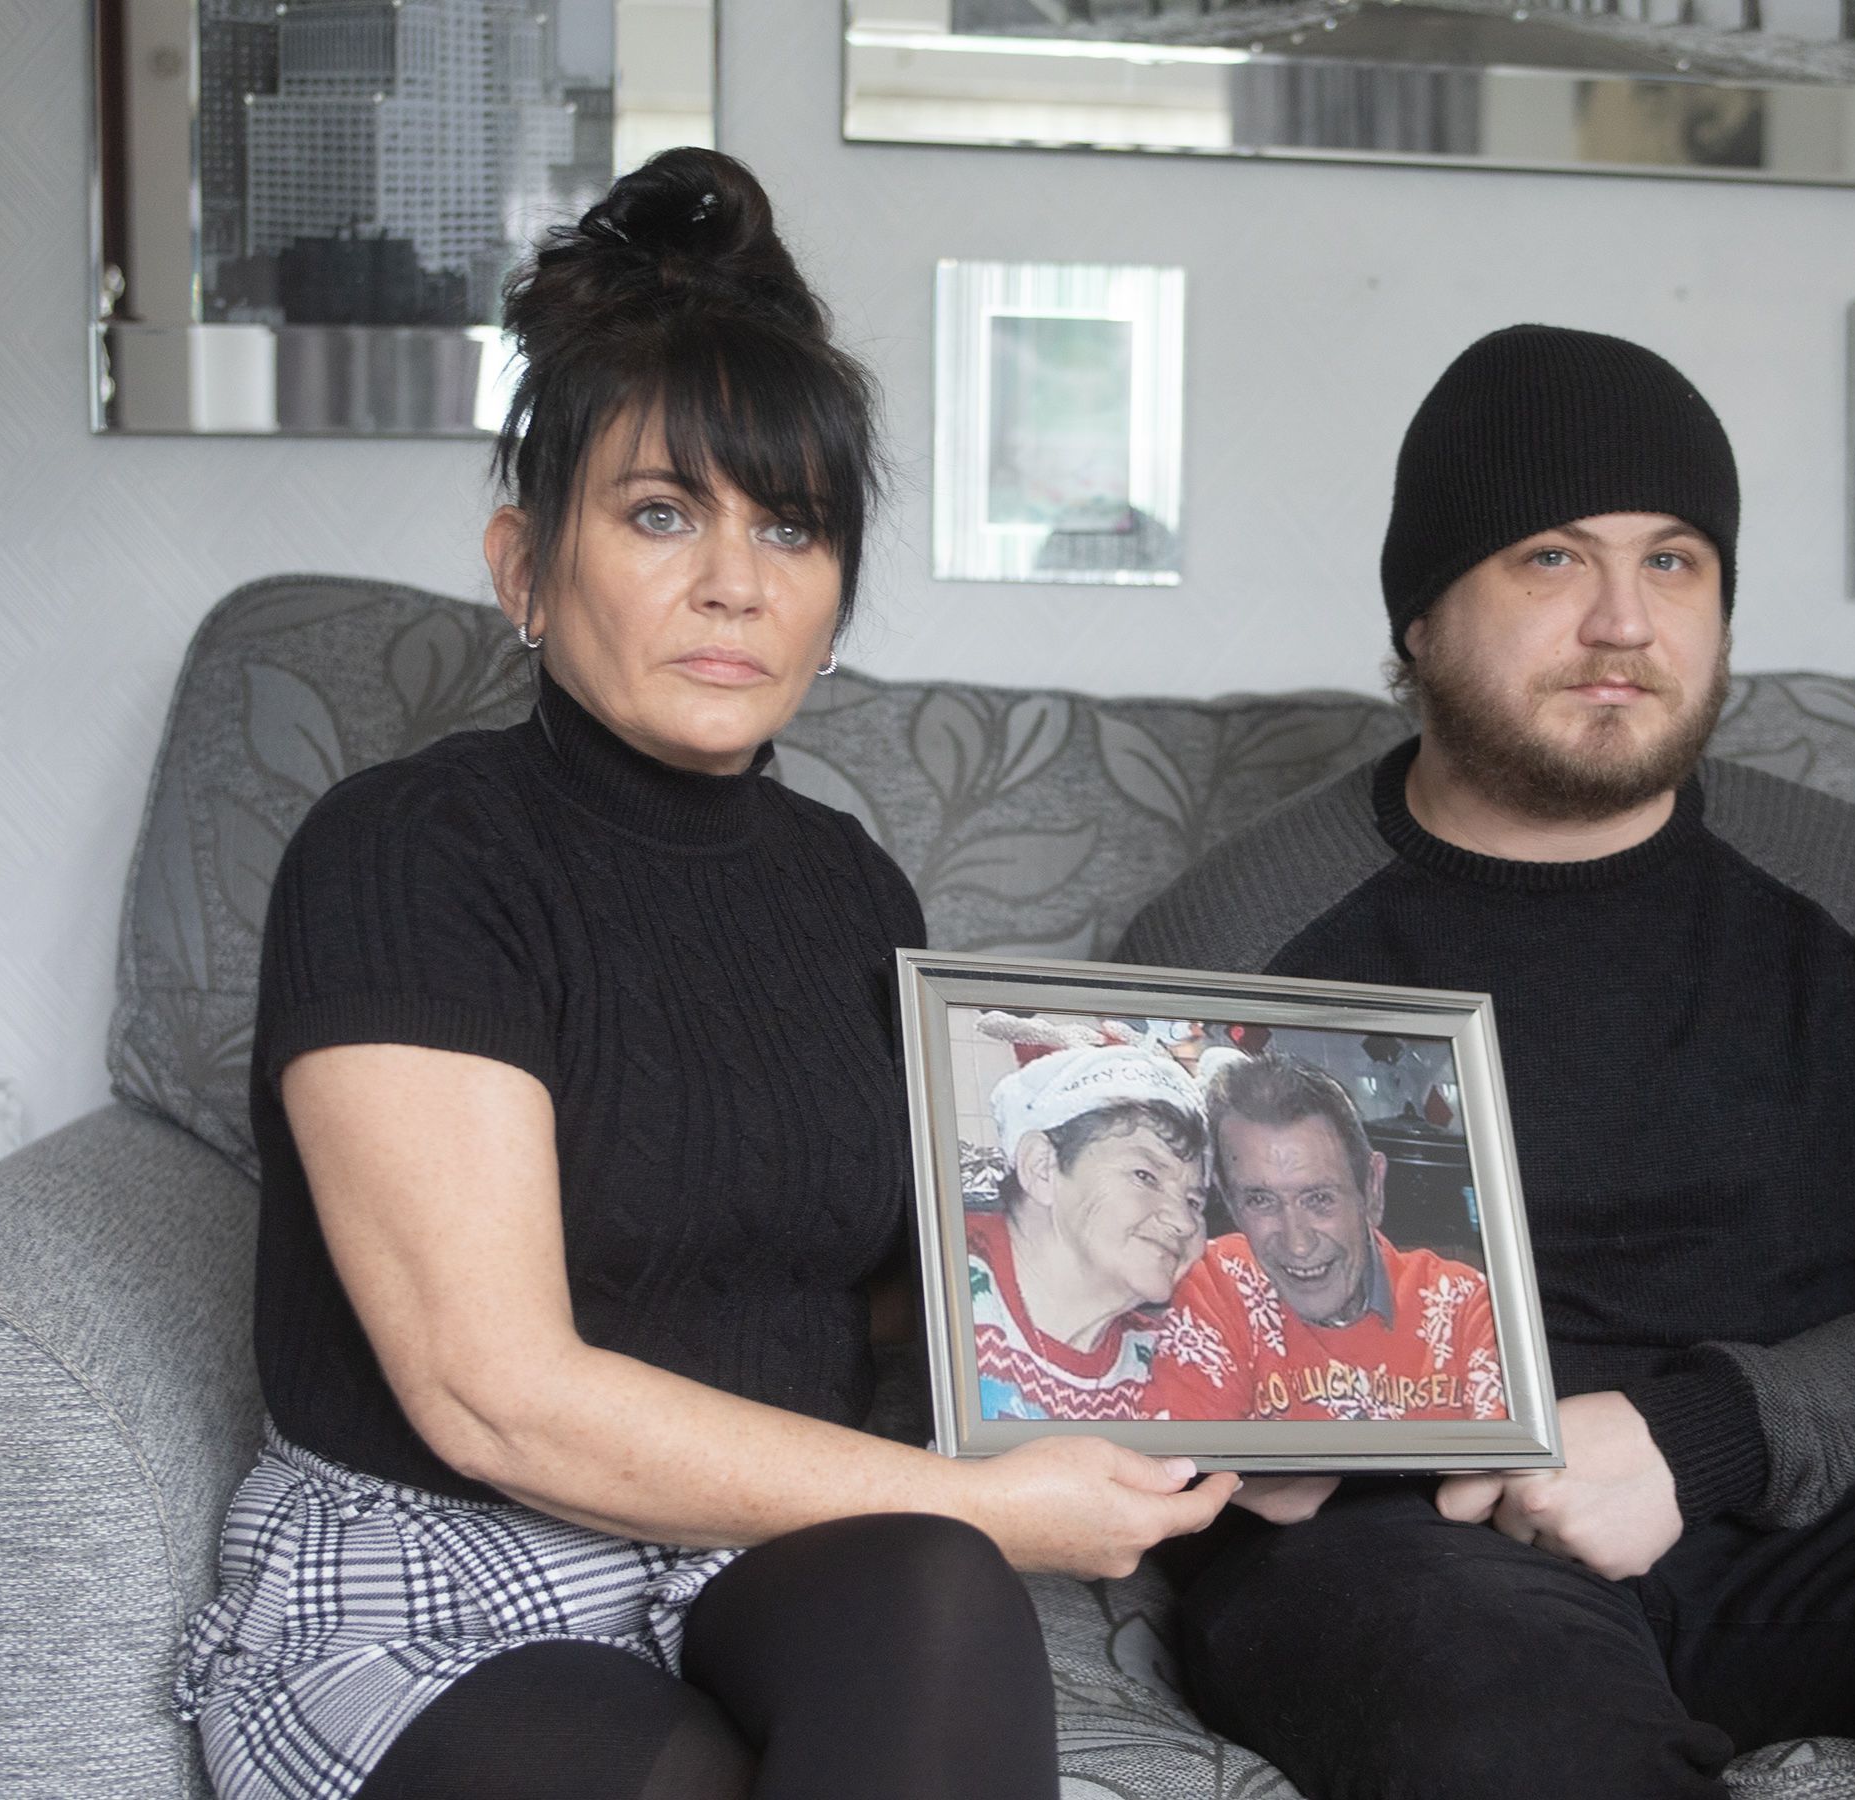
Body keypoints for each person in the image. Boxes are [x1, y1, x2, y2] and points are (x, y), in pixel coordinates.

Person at [173, 149, 1236, 1800]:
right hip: (443, 1567)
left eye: (791, 527)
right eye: (662, 513)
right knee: (686, 1768)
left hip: (753, 1553)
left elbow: (919, 1292)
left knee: (943, 1606)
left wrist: (1228, 1395)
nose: (736, 579)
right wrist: (993, 1502)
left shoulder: (855, 888)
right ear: (525, 565)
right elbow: (495, 1402)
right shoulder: (404, 853)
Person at [1116, 324, 1855, 1798]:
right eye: (1551, 559)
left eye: (1673, 561)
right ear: (1420, 617)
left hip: (1804, 1508)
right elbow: (1104, 1324)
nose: (1622, 621)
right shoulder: (1238, 925)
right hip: (1415, 1551)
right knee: (1493, 1717)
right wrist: (1216, 1442)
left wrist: (1700, 1438)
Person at [1146, 1053, 1504, 1423]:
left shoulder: (1465, 1306)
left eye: (1319, 1199)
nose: (1297, 1244)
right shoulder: (1214, 1285)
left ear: (1373, 1189)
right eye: (1260, 1200)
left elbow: (1511, 1474)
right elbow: (1192, 1474)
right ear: (1230, 1202)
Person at [966, 1042, 1208, 1422]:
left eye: (1194, 1200)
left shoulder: (1173, 1358)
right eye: (1145, 1176)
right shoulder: (949, 1290)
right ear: (1042, 1167)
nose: (1185, 1222)